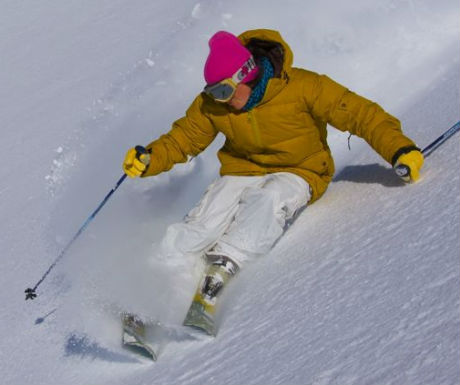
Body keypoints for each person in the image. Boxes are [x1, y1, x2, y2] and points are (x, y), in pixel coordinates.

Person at [122, 29, 424, 335]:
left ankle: (221, 270)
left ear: (246, 75)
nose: (220, 101)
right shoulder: (214, 103)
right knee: (204, 221)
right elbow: (184, 137)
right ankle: (149, 291)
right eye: (213, 93)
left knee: (269, 201)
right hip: (241, 170)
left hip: (300, 170)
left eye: (224, 92)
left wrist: (400, 149)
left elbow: (361, 114)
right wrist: (150, 158)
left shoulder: (302, 87)